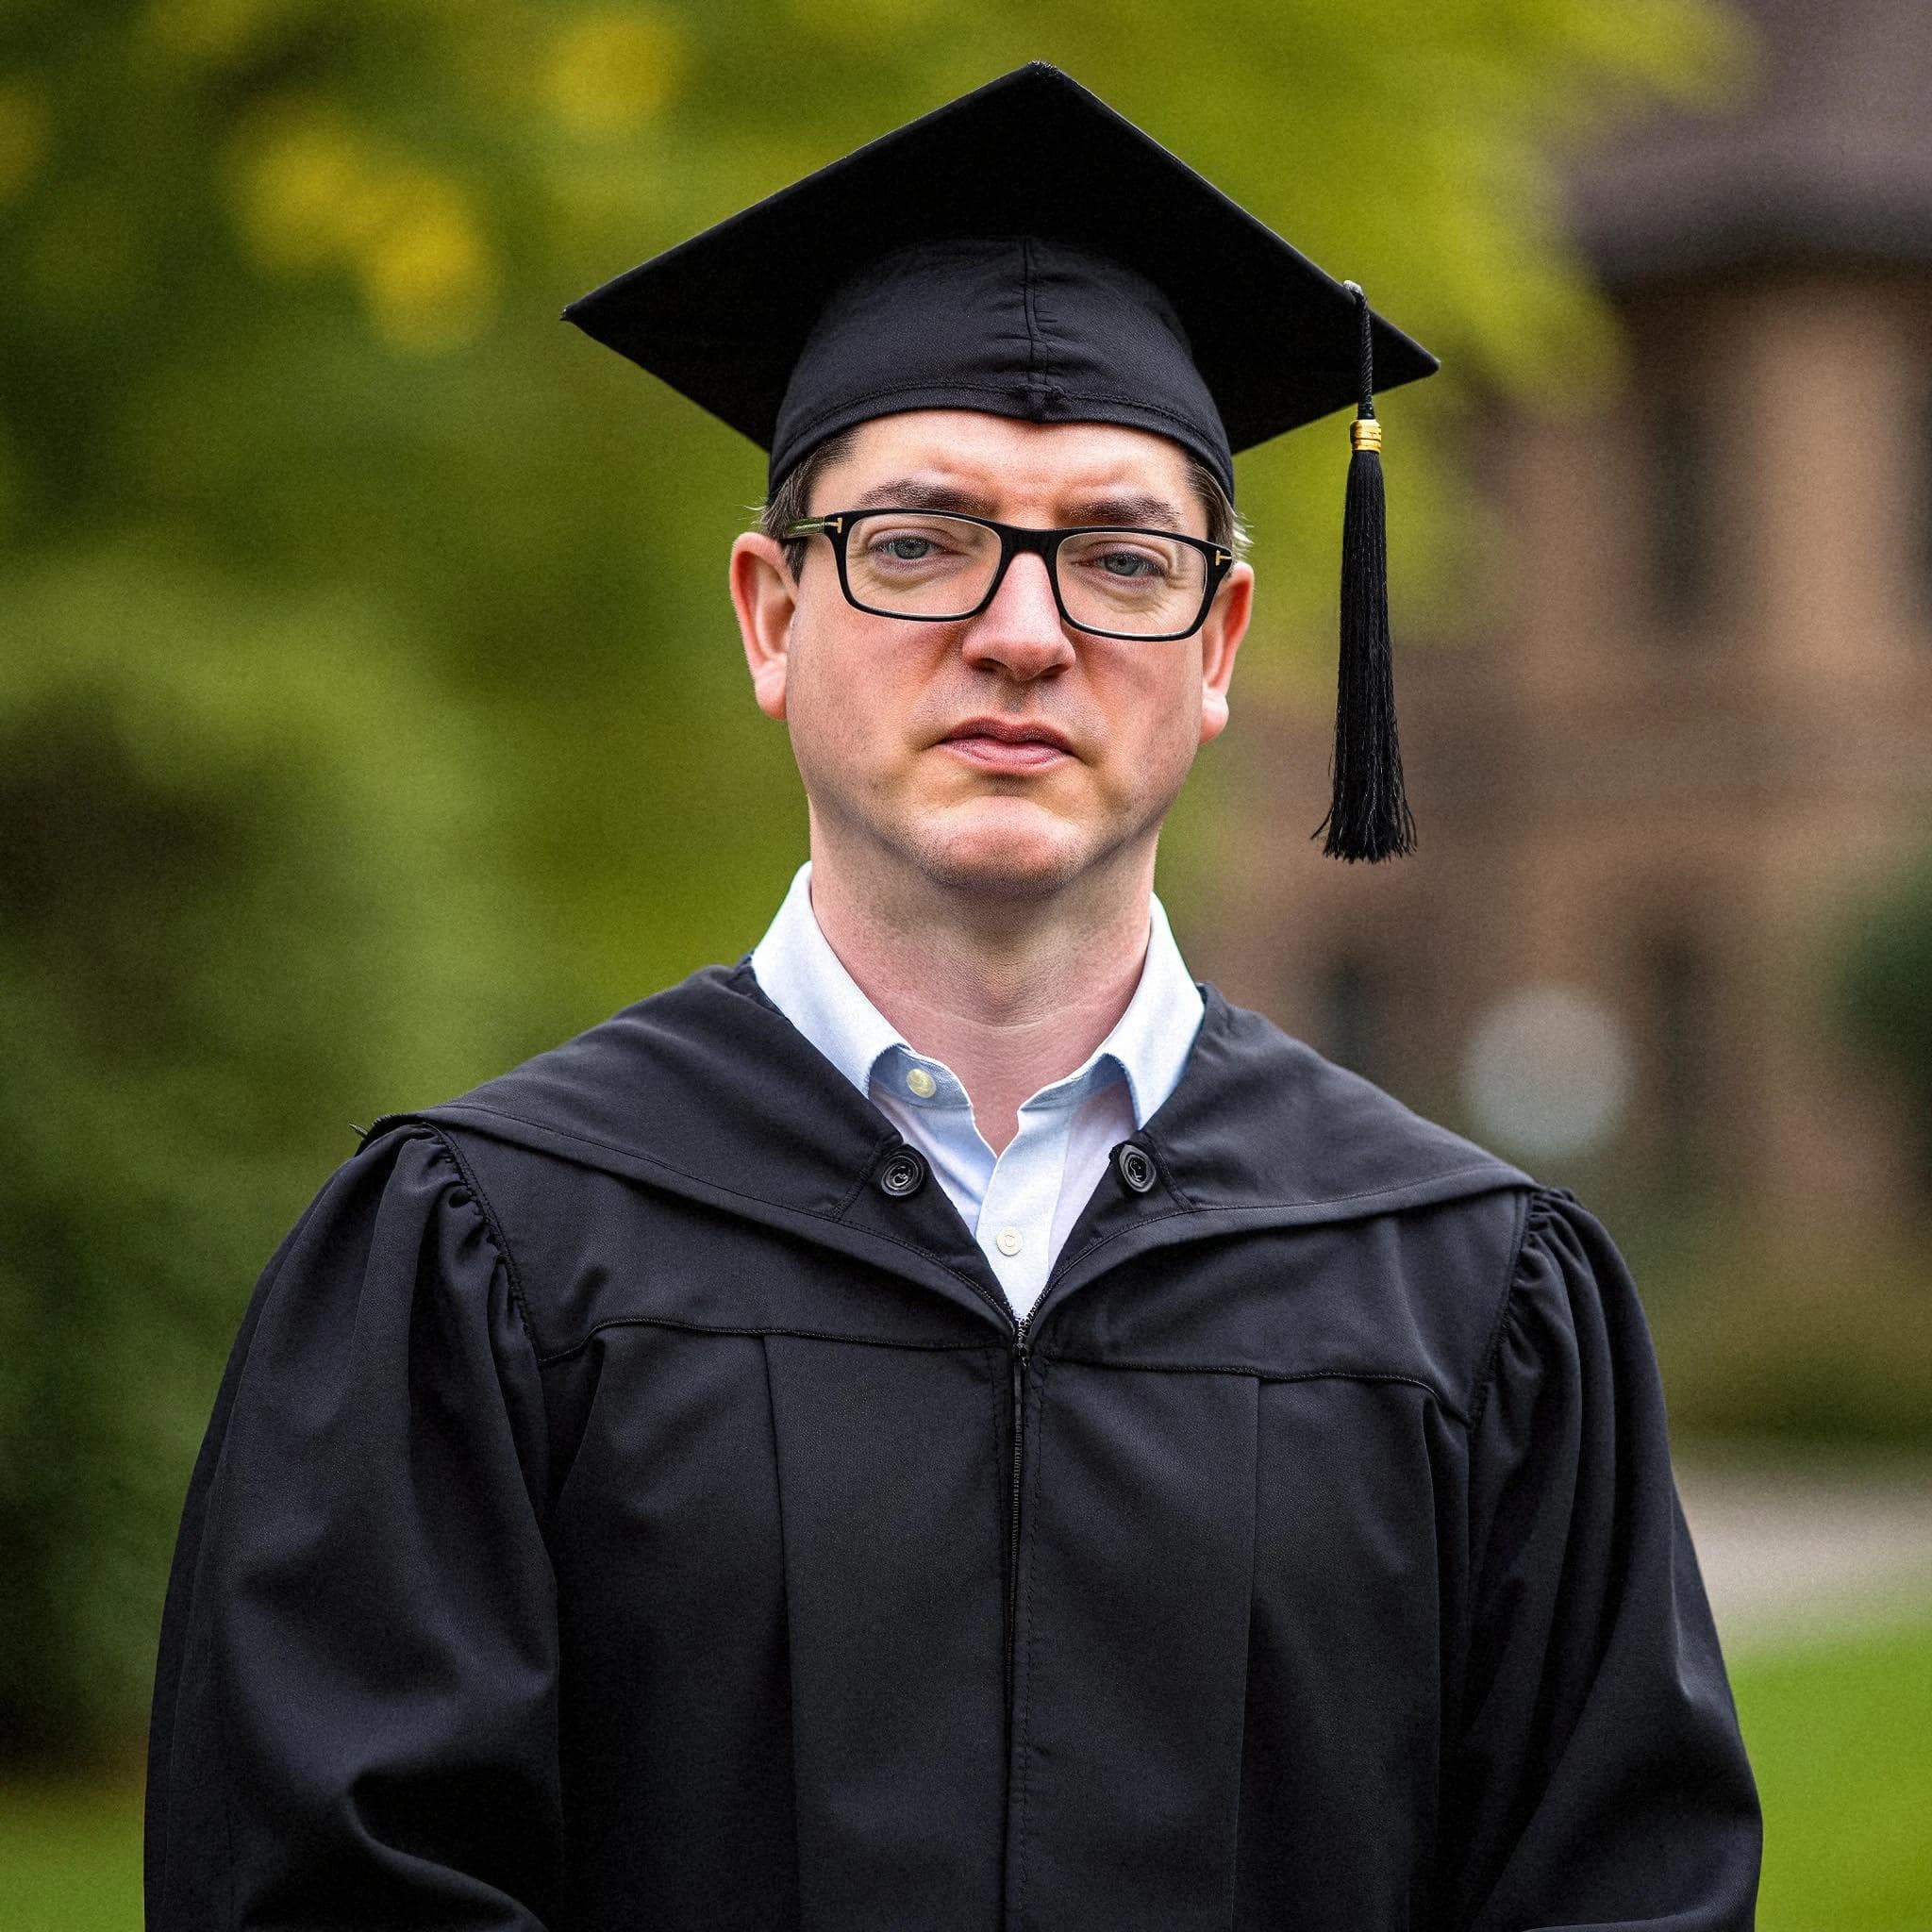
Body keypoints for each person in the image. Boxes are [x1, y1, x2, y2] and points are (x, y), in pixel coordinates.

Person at [144, 62, 1761, 1932]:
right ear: (770, 612)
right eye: (916, 542)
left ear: (1220, 643)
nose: (1020, 627)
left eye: (1117, 556)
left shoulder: (1475, 1295)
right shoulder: (485, 1254)